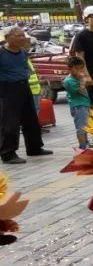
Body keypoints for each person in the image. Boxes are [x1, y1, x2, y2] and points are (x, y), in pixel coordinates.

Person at [0, 26, 50, 164]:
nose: (23, 38)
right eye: (19, 36)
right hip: (7, 89)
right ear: (8, 38)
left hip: (24, 86)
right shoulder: (1, 52)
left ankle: (34, 148)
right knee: (10, 123)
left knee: (31, 119)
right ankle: (8, 154)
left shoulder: (22, 52)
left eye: (23, 35)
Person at [62, 56, 93, 150]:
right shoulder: (68, 81)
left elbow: (85, 83)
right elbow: (81, 90)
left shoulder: (76, 78)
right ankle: (82, 147)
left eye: (81, 68)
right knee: (81, 128)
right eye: (76, 68)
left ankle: (86, 143)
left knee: (84, 126)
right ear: (69, 69)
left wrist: (92, 83)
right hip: (78, 106)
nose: (79, 71)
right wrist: (82, 80)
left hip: (84, 105)